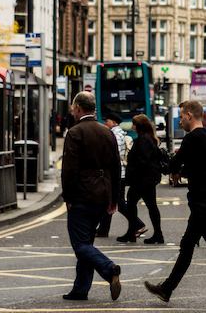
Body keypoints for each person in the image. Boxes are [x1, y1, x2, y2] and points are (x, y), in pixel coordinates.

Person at [144, 100, 206, 310]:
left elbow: (173, 164)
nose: (180, 120)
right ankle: (167, 289)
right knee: (187, 245)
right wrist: (182, 171)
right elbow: (201, 168)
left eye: (181, 116)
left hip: (201, 203)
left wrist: (161, 161)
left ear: (189, 115)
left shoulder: (192, 139)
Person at [61, 92, 122, 302]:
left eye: (73, 108)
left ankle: (109, 268)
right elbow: (116, 167)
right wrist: (114, 198)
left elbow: (69, 169)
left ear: (78, 108)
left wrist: (68, 197)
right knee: (86, 243)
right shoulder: (107, 132)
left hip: (82, 194)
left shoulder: (75, 132)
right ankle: (80, 289)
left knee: (80, 244)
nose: (72, 111)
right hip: (103, 194)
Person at [119, 114, 164, 244]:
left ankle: (133, 233)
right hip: (146, 179)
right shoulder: (148, 138)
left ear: (138, 126)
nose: (132, 126)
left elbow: (143, 161)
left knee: (132, 203)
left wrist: (132, 170)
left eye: (134, 124)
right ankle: (155, 234)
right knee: (149, 206)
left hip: (142, 180)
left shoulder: (143, 140)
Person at [98, 114, 143, 239]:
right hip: (118, 173)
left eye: (107, 120)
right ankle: (103, 230)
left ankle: (138, 224)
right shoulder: (117, 133)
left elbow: (113, 155)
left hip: (117, 174)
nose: (105, 123)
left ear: (113, 122)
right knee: (109, 201)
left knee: (119, 203)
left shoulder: (116, 135)